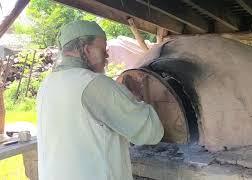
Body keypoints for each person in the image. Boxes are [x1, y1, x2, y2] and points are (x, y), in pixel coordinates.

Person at [36, 20, 164, 180]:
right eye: (103, 49)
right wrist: (137, 99)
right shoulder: (94, 84)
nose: (107, 55)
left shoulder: (47, 84)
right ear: (87, 49)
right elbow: (151, 132)